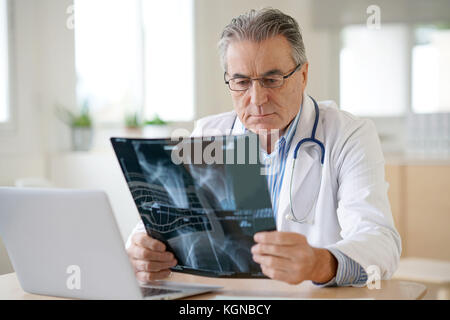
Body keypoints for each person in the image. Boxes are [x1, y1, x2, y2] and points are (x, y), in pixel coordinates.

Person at [126, 8, 401, 287]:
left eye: (272, 80)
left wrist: (319, 262)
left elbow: (380, 241)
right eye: (242, 82)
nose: (257, 99)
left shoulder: (348, 136)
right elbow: (153, 227)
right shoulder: (207, 135)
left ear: (303, 75)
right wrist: (141, 251)